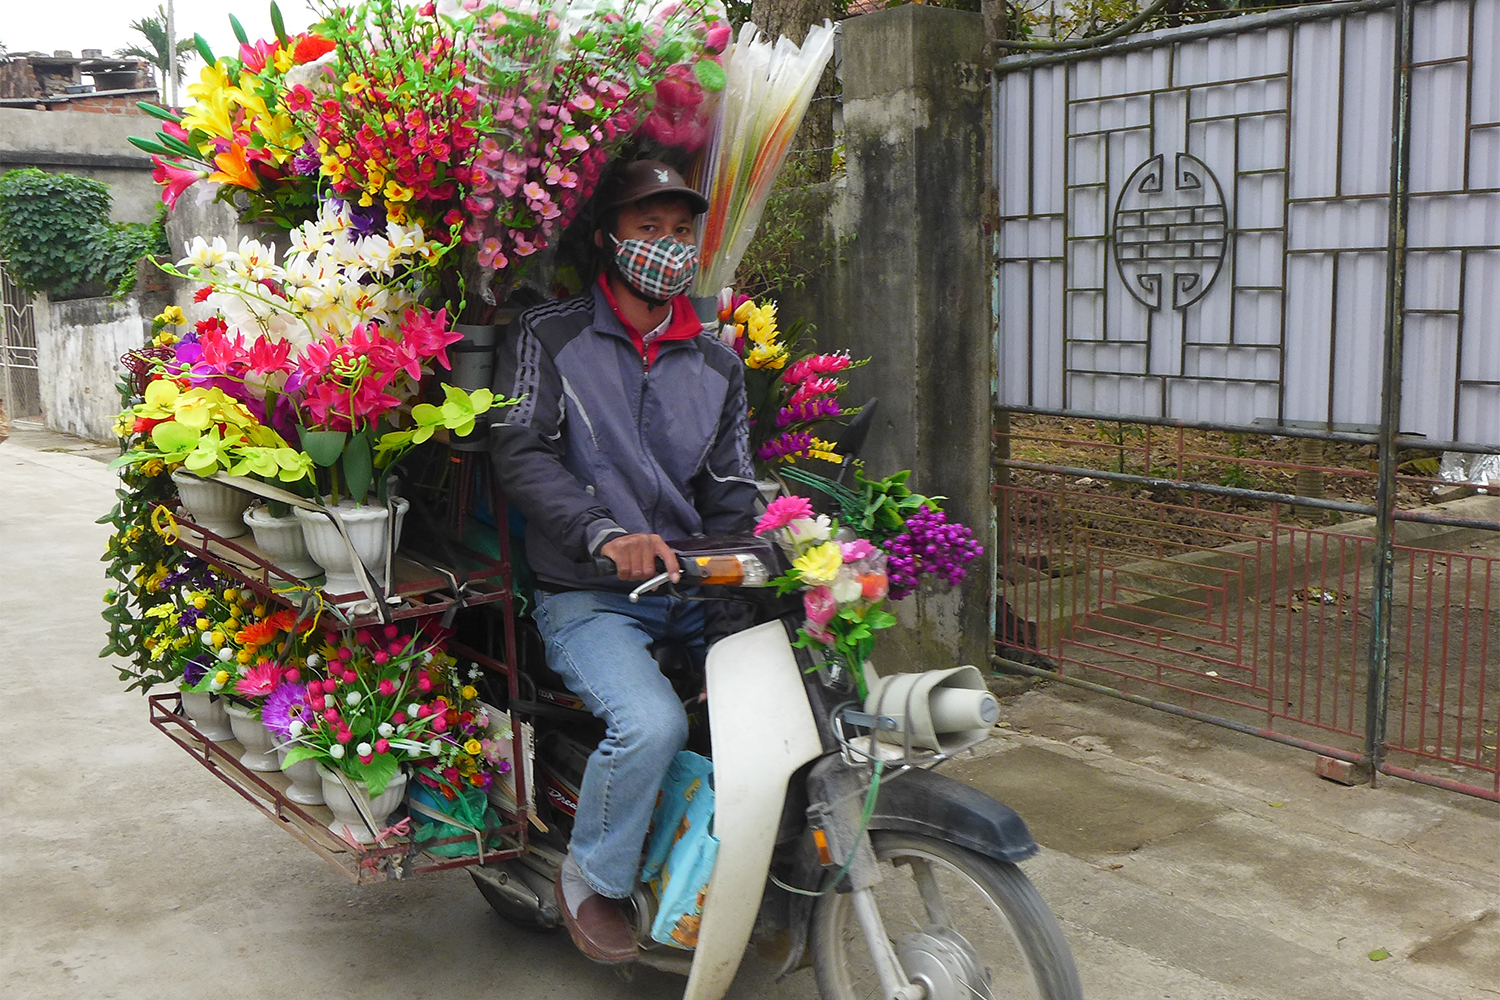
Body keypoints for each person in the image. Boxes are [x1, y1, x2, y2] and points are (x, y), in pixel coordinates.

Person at [488, 160, 757, 964]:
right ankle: (593, 879)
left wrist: (731, 601)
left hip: (689, 585)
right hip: (590, 593)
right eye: (648, 228)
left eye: (680, 232)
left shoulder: (719, 364)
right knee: (652, 722)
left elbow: (731, 490)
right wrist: (603, 533)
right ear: (609, 237)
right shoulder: (553, 335)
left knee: (796, 701)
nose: (666, 247)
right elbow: (521, 449)